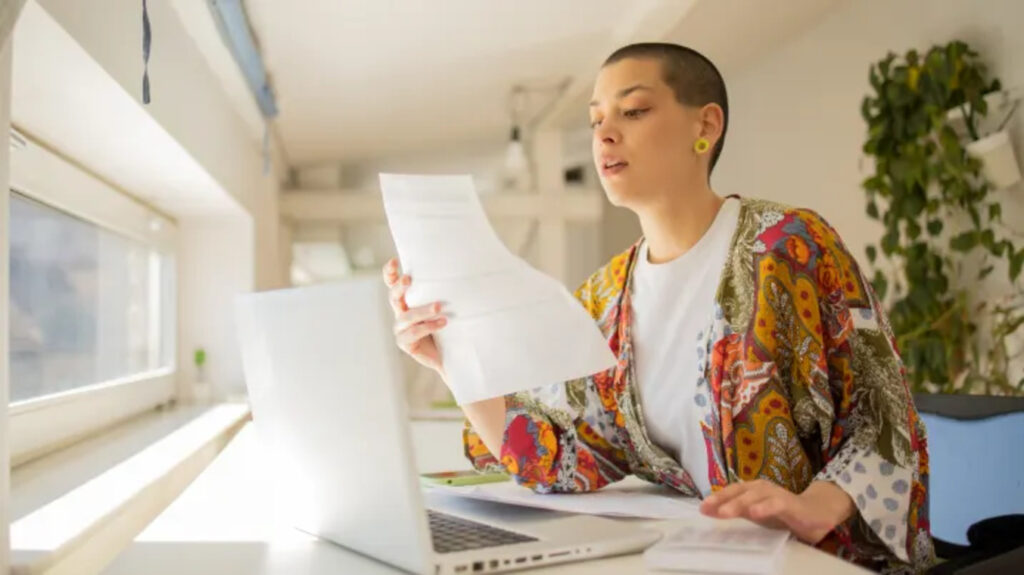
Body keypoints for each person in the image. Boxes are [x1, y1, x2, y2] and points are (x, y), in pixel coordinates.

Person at [382, 43, 934, 573]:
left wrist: (820, 502)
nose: (606, 134)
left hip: (811, 560)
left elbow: (884, 414)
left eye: (635, 110)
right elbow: (563, 453)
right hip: (696, 556)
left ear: (706, 126)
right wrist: (451, 363)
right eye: (596, 120)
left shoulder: (788, 246)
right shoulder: (605, 297)